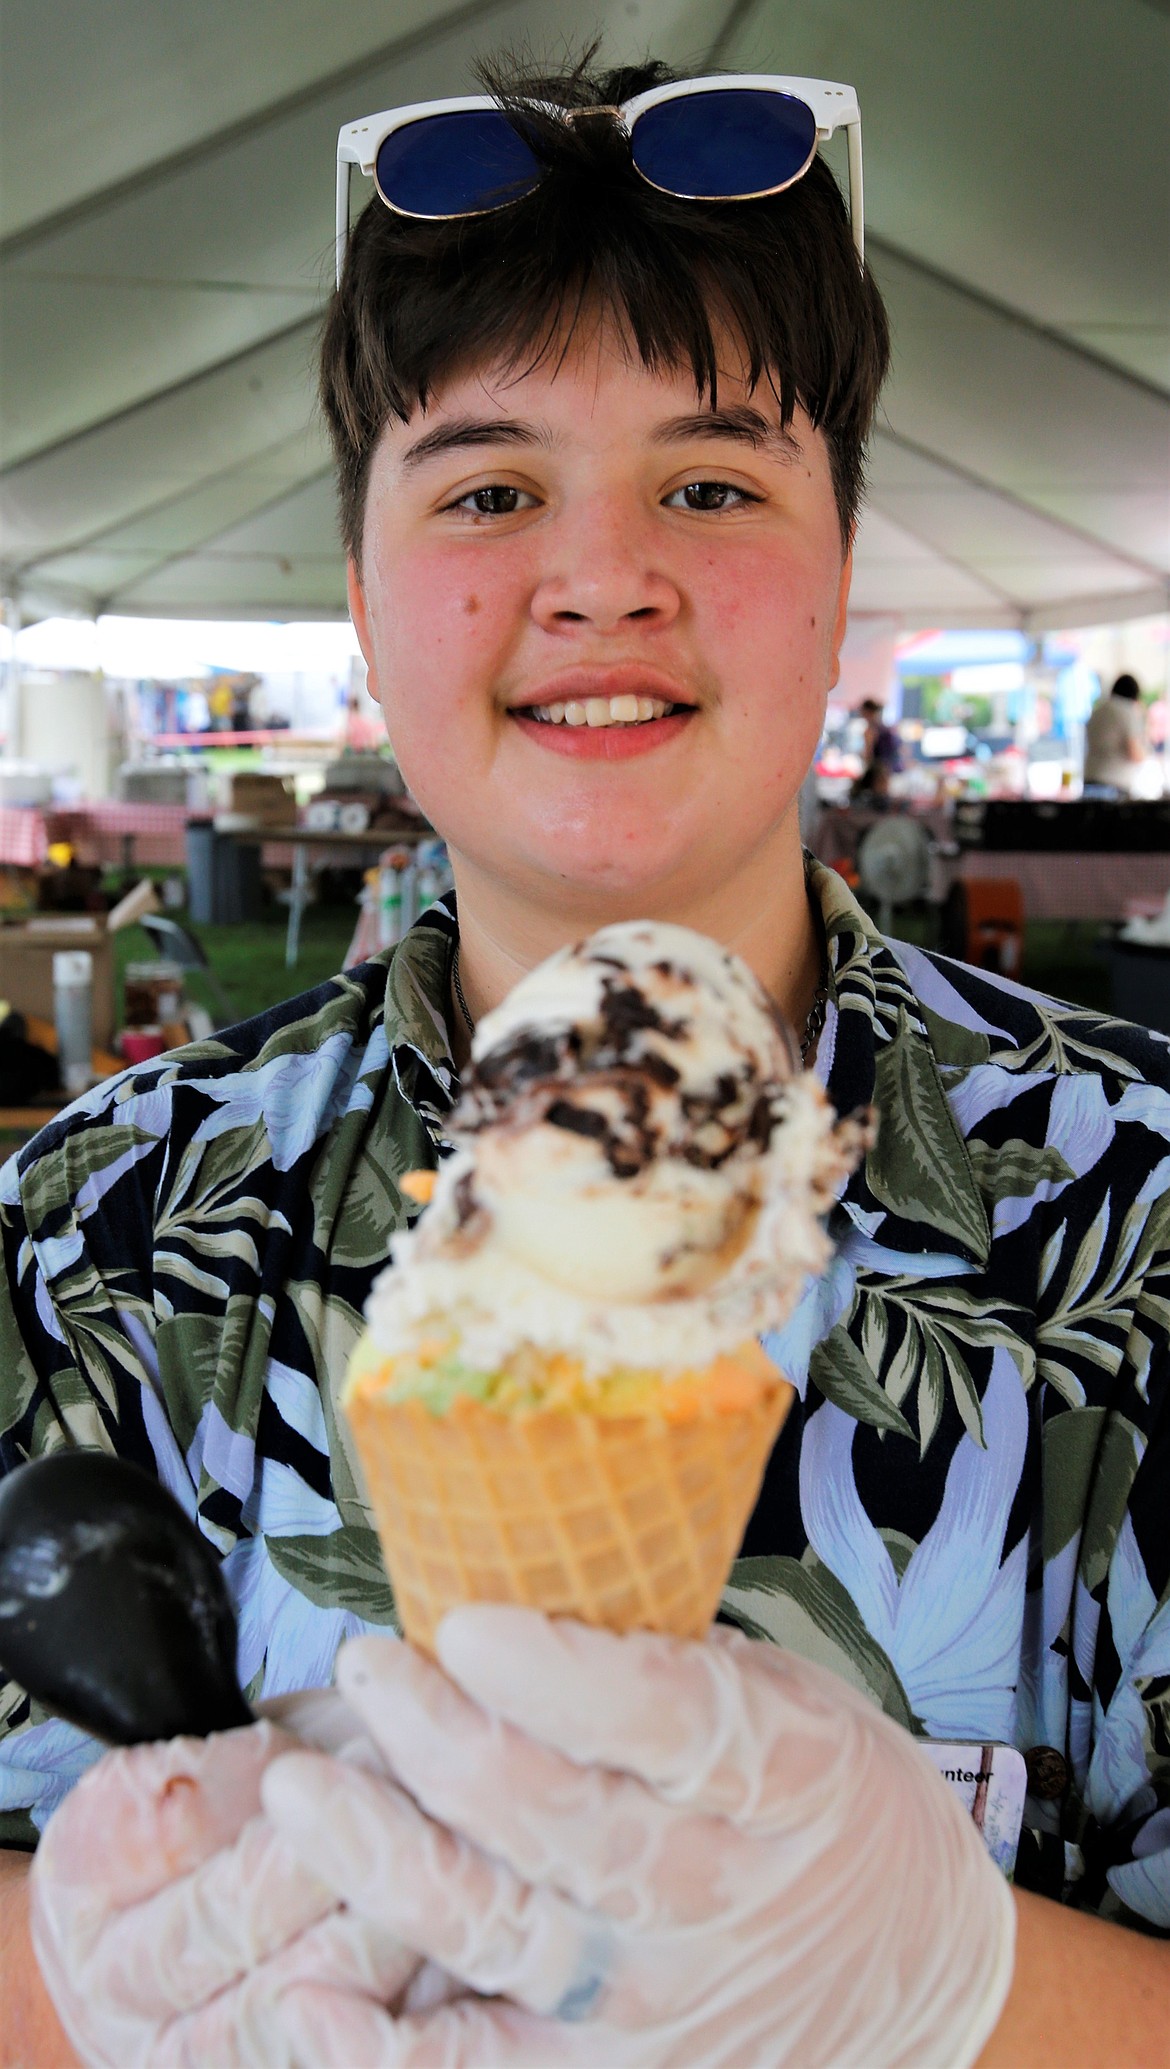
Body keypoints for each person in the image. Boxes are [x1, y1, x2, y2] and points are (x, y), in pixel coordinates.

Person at [1, 50, 1168, 2067]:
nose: (603, 572)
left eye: (712, 479)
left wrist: (961, 1987)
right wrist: (92, 1985)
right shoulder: (85, 1228)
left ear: (836, 578)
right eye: (488, 486)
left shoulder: (1138, 1213)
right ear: (367, 598)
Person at [1082, 672, 1148, 796]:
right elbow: (1134, 752)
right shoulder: (1127, 712)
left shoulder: (1098, 711)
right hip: (1115, 785)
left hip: (1089, 779)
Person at [851, 694, 902, 800]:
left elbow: (868, 754)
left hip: (878, 770)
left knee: (858, 793)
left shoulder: (870, 730)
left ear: (867, 712)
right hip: (887, 769)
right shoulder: (885, 728)